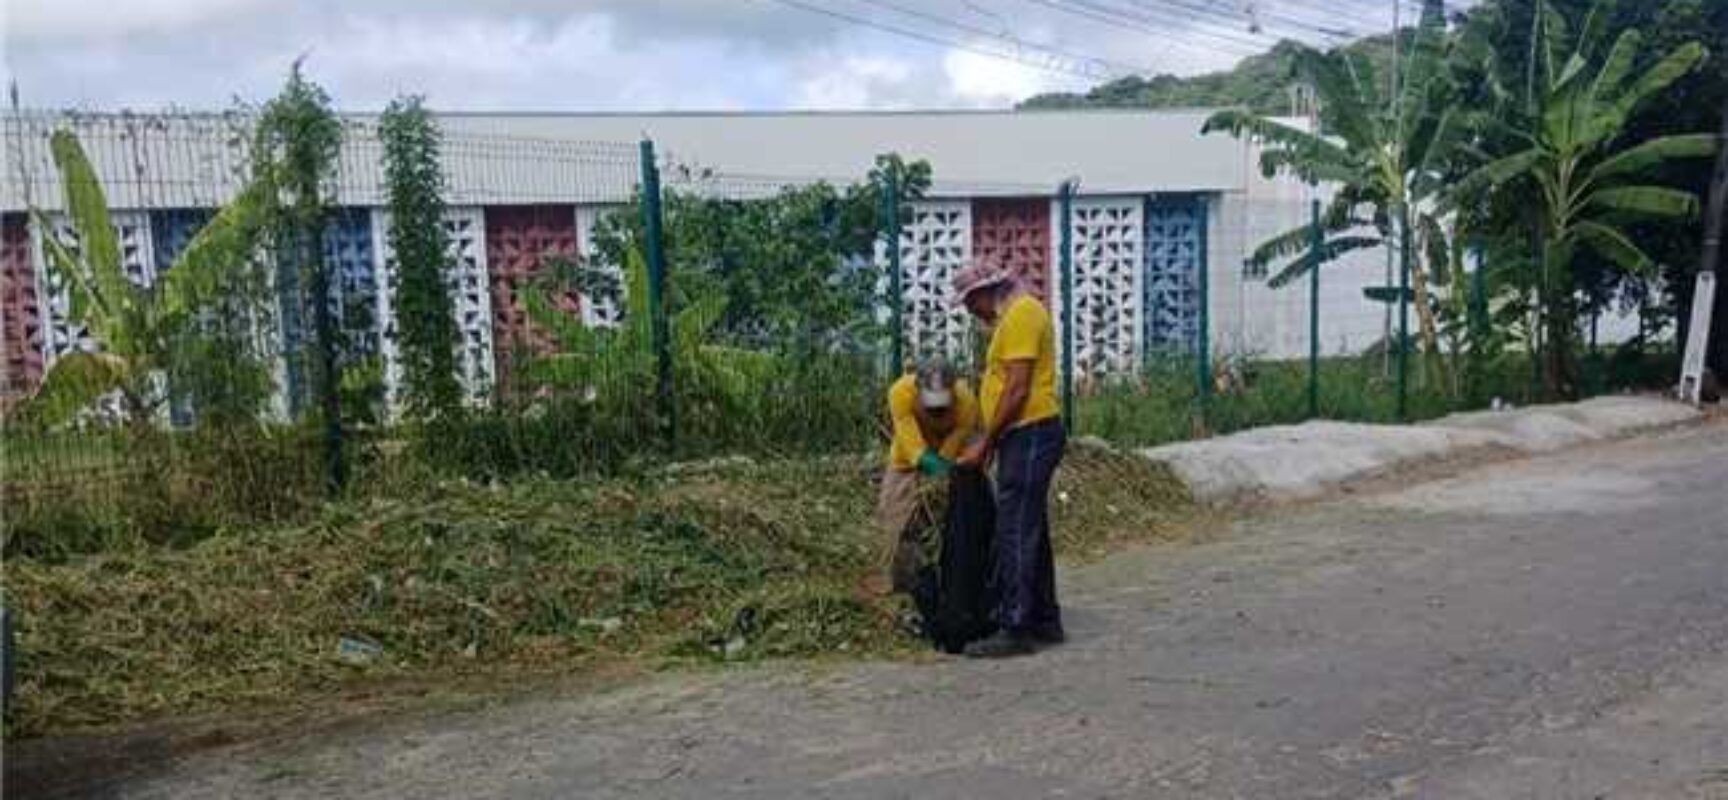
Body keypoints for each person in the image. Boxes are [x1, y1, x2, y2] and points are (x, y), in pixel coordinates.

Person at [952, 261, 1066, 658]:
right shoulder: (1013, 318)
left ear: (986, 292)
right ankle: (1045, 619)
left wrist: (986, 442)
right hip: (1024, 434)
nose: (972, 313)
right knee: (1029, 527)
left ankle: (1014, 626)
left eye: (971, 304)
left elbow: (1016, 389)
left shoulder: (1021, 314)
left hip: (1031, 431)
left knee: (1014, 528)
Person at [871, 357, 980, 595]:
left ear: (953, 390)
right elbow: (912, 447)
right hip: (905, 460)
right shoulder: (900, 393)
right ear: (918, 390)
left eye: (942, 404)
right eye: (930, 404)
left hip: (948, 459)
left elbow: (953, 446)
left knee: (952, 516)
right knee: (893, 513)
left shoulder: (967, 403)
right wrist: (929, 465)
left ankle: (951, 577)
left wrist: (943, 473)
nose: (937, 411)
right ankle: (892, 577)